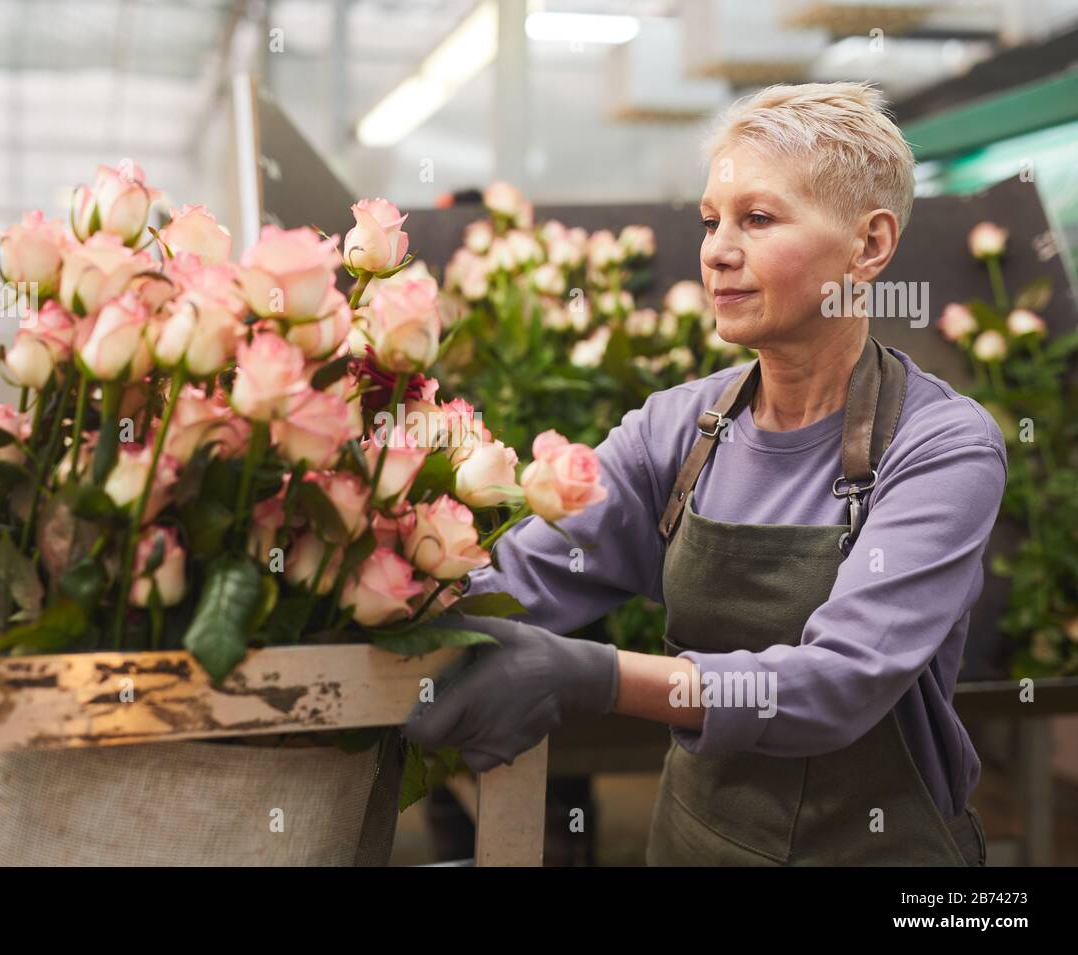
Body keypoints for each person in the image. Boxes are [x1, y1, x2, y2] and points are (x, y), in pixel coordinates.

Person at [403, 82, 1004, 866]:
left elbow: (838, 684)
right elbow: (522, 579)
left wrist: (598, 676)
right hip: (695, 842)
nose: (718, 249)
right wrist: (366, 591)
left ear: (869, 246)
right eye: (711, 220)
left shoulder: (940, 446)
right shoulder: (677, 431)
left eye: (757, 219)